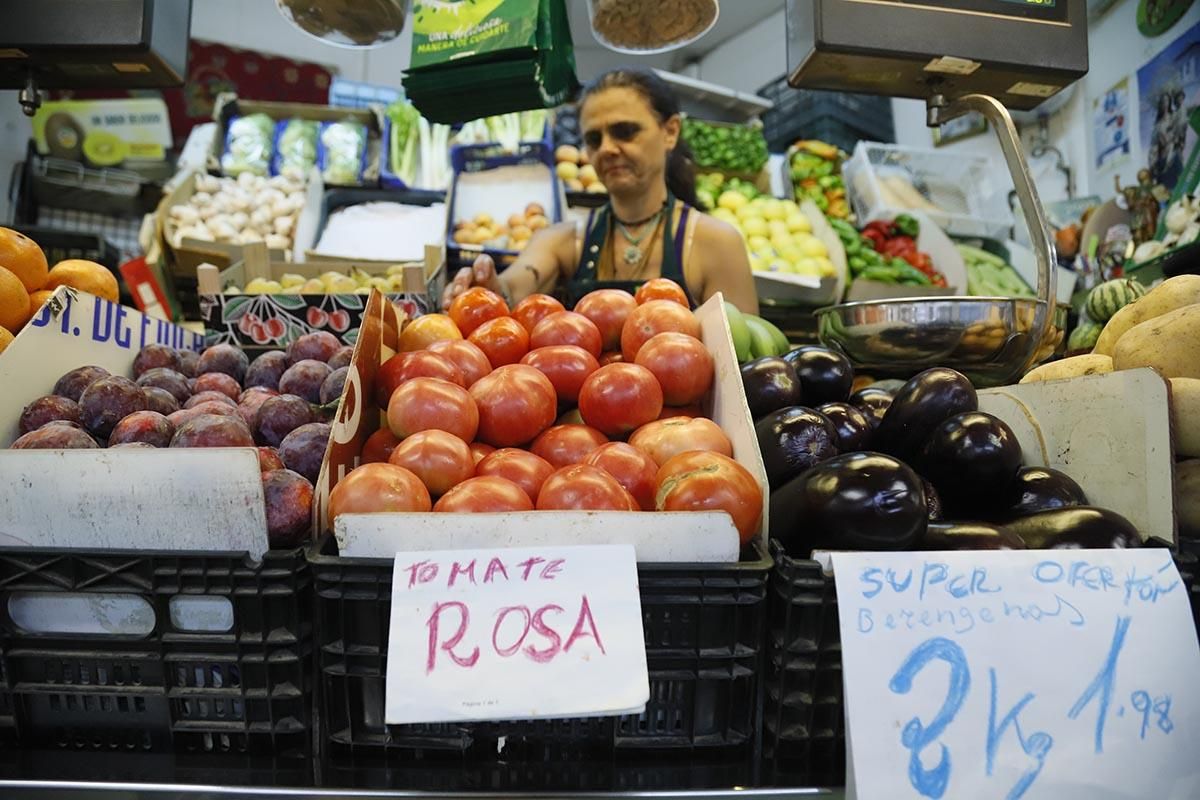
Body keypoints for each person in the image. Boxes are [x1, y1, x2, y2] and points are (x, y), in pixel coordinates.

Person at [441, 68, 759, 314]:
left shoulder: (714, 243)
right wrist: (490, 289)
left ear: (670, 132)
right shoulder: (565, 241)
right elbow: (515, 284)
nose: (606, 148)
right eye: (594, 139)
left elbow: (741, 364)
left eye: (625, 131)